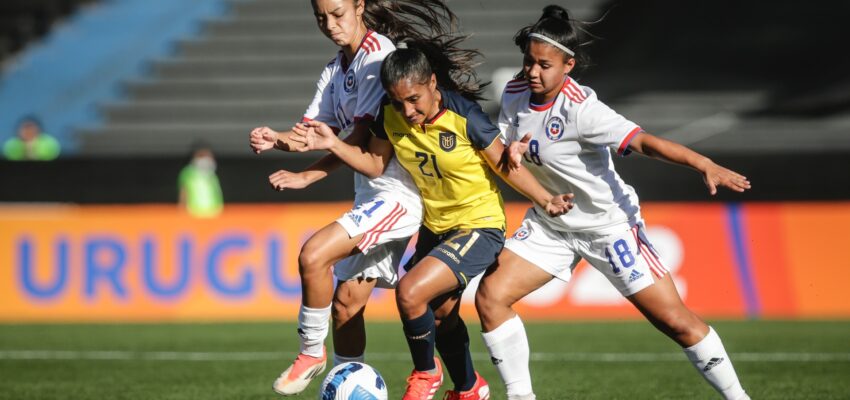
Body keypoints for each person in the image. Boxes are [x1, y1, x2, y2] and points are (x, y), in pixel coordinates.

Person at [473, 5, 752, 400]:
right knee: (491, 298)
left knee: (677, 323)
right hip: (552, 225)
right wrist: (513, 146)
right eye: (528, 62)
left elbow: (643, 141)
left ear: (568, 65)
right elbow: (504, 141)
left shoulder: (582, 110)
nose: (533, 72)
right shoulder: (517, 91)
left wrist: (702, 163)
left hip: (608, 228)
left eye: (544, 65)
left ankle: (738, 397)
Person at [290, 40, 574, 400]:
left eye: (414, 100)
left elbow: (504, 164)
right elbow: (375, 165)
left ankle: (426, 372)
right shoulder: (388, 116)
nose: (406, 111)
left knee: (411, 293)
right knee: (441, 315)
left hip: (478, 224)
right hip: (436, 227)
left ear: (432, 84)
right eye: (397, 101)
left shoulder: (463, 115)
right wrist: (333, 143)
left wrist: (545, 199)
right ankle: (470, 389)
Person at [247, 0, 459, 396]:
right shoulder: (335, 69)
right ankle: (347, 385)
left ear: (360, 6)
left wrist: (308, 175)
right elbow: (314, 132)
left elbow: (360, 140)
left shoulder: (378, 58)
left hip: (399, 196)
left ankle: (311, 352)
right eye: (320, 17)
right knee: (345, 304)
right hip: (370, 196)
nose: (329, 24)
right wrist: (277, 138)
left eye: (337, 13)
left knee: (313, 254)